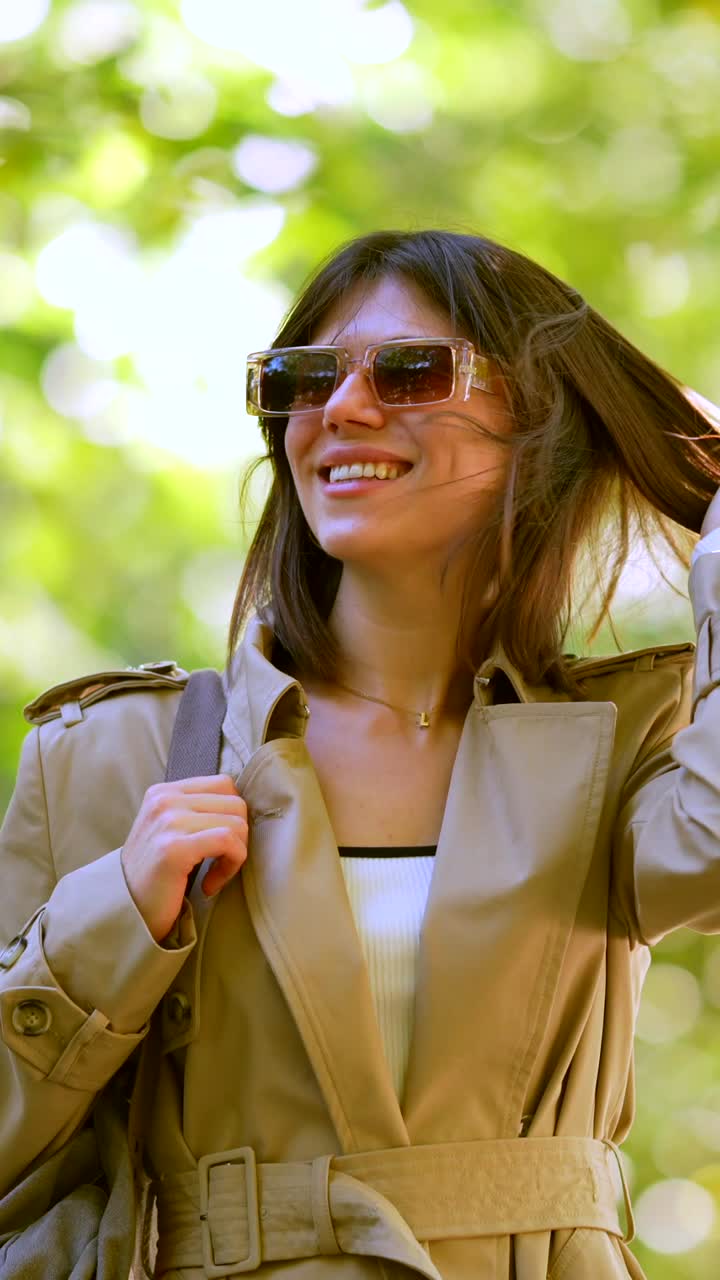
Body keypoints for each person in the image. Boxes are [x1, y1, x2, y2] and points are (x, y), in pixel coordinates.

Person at [1, 227, 720, 1280]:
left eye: (412, 368)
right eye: (304, 378)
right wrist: (115, 914)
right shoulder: (115, 755)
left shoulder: (621, 748)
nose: (342, 408)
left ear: (539, 414)